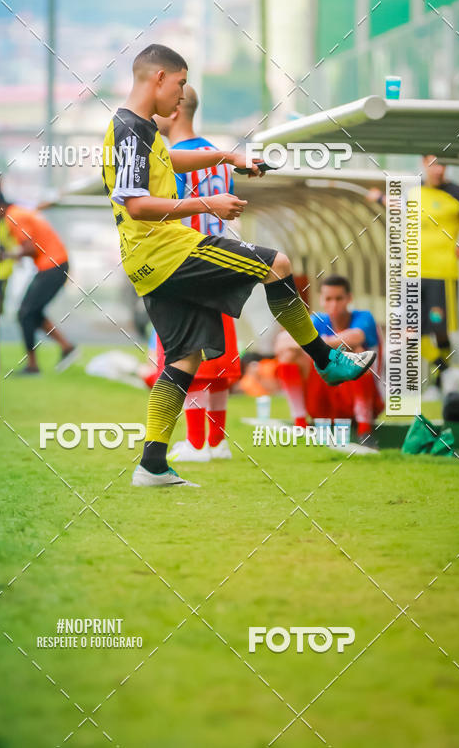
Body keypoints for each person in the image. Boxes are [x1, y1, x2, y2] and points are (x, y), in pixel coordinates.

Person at [102, 43, 376, 488]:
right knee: (278, 263)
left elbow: (171, 162)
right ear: (157, 78)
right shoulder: (131, 129)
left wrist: (229, 157)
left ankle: (151, 464)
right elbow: (136, 205)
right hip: (171, 252)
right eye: (180, 82)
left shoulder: (139, 130)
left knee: (183, 359)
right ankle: (325, 360)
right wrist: (208, 200)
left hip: (147, 265)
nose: (183, 93)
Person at [154, 84, 239, 462]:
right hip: (223, 262)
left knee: (184, 351)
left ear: (174, 111)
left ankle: (196, 442)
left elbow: (167, 209)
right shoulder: (218, 156)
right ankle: (217, 442)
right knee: (218, 361)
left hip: (189, 262)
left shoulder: (171, 158)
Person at [368, 156, 459, 396]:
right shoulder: (415, 192)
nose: (438, 169)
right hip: (412, 273)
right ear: (423, 164)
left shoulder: (458, 193)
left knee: (439, 328)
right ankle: (447, 371)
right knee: (407, 328)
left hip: (441, 274)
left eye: (442, 165)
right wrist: (378, 197)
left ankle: (441, 384)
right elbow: (398, 205)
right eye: (433, 164)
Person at [275, 275, 384, 445]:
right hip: (323, 399)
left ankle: (364, 430)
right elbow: (282, 342)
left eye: (339, 298)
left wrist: (314, 342)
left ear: (349, 298)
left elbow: (355, 337)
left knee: (357, 352)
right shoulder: (318, 320)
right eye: (329, 299)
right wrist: (320, 343)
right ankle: (300, 422)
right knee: (289, 355)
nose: (334, 304)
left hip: (361, 400)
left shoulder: (364, 317)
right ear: (321, 300)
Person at [0, 195, 78, 375]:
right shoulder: (20, 212)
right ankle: (67, 347)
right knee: (31, 312)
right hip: (54, 264)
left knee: (25, 313)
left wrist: (7, 255)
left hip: (53, 265)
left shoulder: (14, 217)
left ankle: (32, 366)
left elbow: (29, 248)